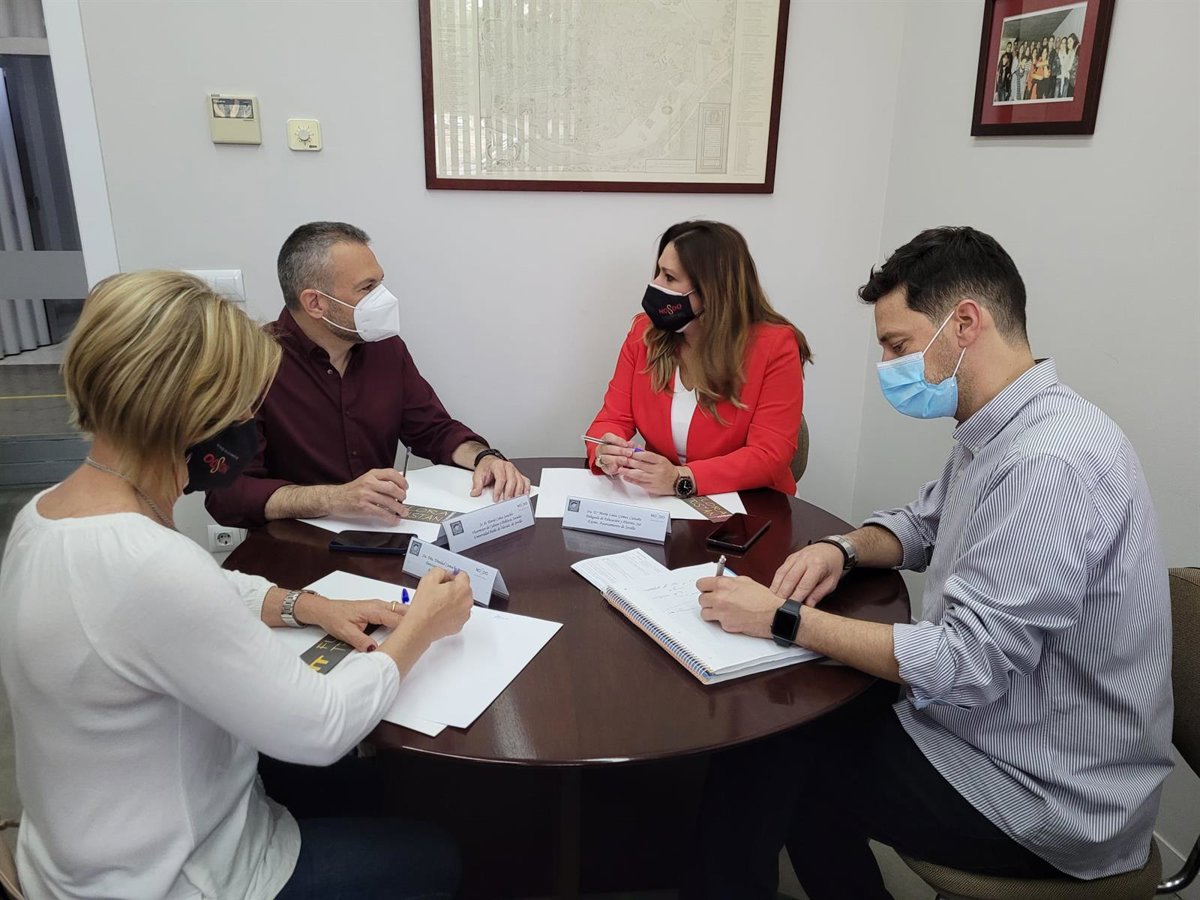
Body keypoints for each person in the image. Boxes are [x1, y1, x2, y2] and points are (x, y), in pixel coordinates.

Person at [685, 227, 1172, 899]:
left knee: (767, 754)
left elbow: (965, 664)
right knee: (789, 727)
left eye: (897, 345)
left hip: (1043, 793)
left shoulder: (1049, 462)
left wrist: (784, 619)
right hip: (986, 725)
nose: (888, 365)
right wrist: (842, 548)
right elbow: (923, 523)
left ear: (964, 323)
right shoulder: (1004, 425)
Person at [0, 271, 473, 898]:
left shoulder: (44, 516)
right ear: (188, 413)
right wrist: (422, 627)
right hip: (180, 879)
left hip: (81, 852)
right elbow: (322, 727)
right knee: (437, 853)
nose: (251, 419)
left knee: (378, 786)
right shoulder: (149, 565)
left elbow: (193, 595)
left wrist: (306, 604)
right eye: (243, 405)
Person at [205, 221, 530, 529]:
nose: (383, 298)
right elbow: (227, 495)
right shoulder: (248, 366)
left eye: (380, 283)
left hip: (380, 534)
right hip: (294, 546)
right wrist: (333, 499)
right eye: (367, 287)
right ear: (315, 302)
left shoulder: (386, 349)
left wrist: (483, 458)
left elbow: (432, 429)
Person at [584, 220, 811, 499]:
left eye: (669, 277)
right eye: (658, 272)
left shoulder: (775, 346)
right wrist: (605, 451)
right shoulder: (644, 333)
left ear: (712, 291)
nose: (655, 285)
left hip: (751, 505)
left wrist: (680, 478)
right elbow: (610, 419)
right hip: (663, 504)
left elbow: (769, 456)